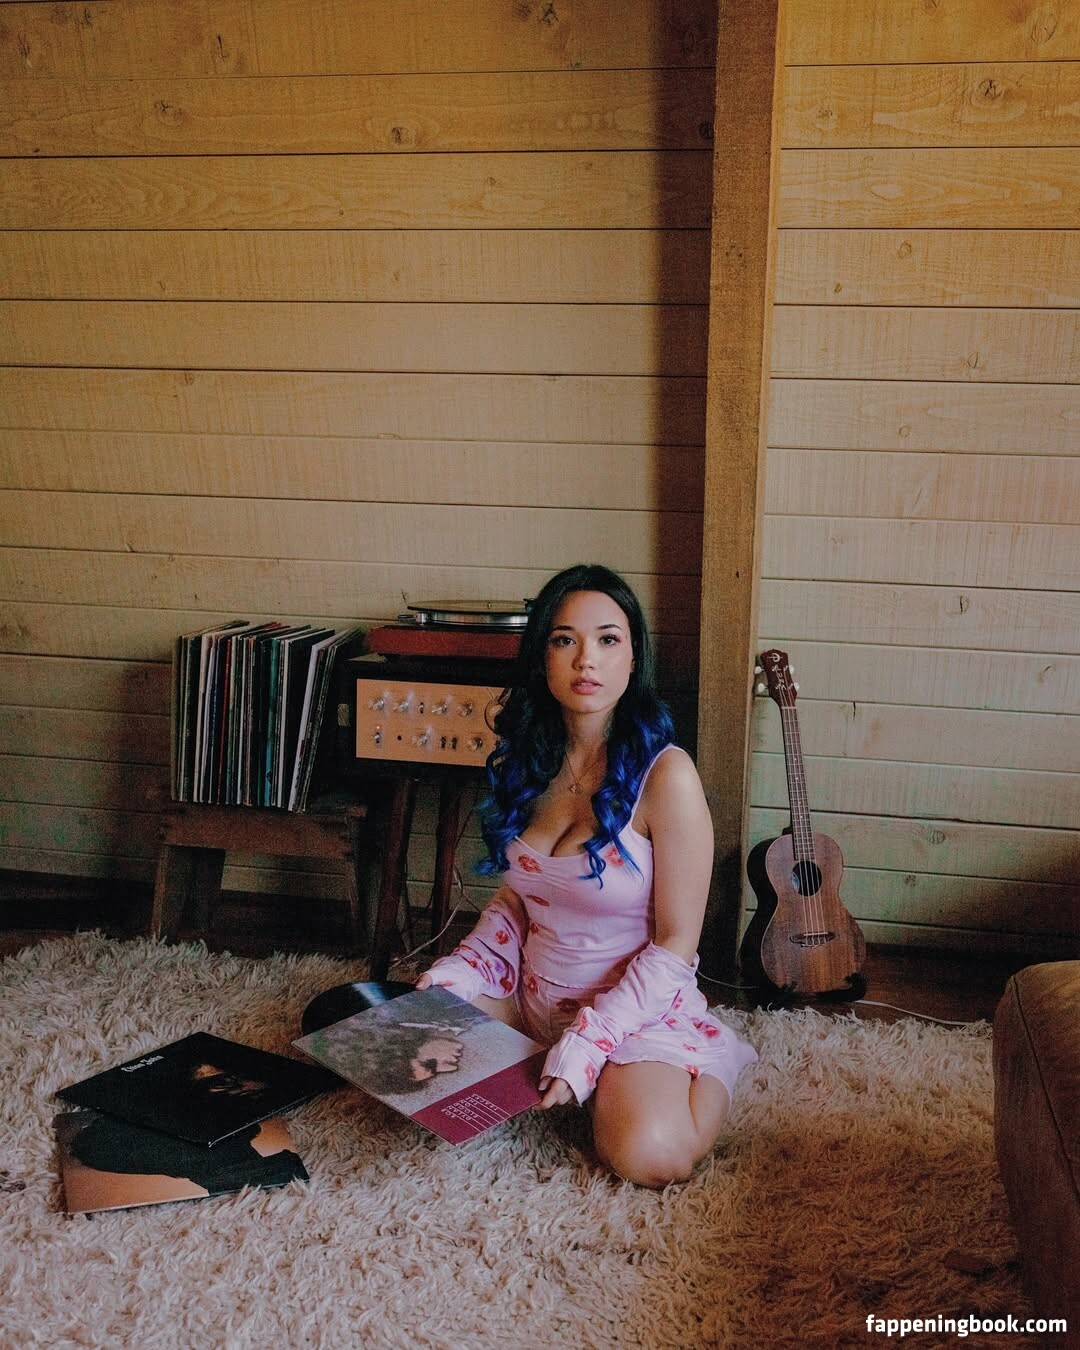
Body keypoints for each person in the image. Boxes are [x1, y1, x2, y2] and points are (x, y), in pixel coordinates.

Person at [418, 563, 757, 1187]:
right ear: (542, 657)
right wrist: (463, 970)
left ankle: (713, 1056)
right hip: (531, 1004)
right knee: (407, 1042)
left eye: (607, 639)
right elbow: (520, 899)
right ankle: (556, 1059)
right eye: (564, 639)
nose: (586, 660)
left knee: (651, 1156)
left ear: (634, 659)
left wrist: (592, 1041)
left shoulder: (668, 776)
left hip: (632, 1016)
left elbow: (677, 942)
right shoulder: (529, 761)